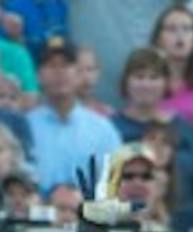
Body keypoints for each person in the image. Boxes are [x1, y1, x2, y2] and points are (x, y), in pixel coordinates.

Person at [26, 35, 123, 192]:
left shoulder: (102, 130)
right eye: (51, 66)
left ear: (78, 73)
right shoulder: (26, 126)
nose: (59, 72)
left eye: (66, 65)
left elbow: (114, 183)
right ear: (39, 76)